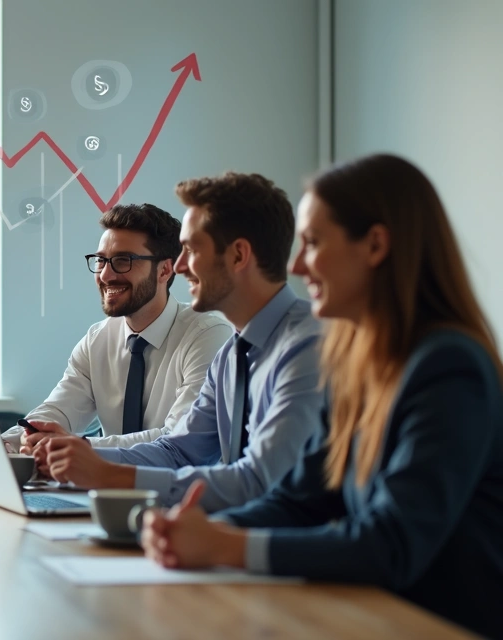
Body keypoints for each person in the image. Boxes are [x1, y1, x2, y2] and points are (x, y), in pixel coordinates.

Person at [141, 154, 503, 638]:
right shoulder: (355, 362)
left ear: (375, 245)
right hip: (361, 614)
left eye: (312, 243)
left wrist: (227, 547)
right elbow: (300, 500)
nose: (295, 264)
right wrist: (201, 531)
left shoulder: (448, 367)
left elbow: (391, 542)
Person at [37, 172, 324, 511]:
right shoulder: (232, 353)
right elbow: (179, 450)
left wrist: (109, 474)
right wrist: (86, 456)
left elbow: (261, 481)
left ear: (238, 255)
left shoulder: (309, 345)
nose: (181, 266)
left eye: (191, 249)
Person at [4, 203, 230, 453]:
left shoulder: (207, 335)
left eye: (123, 261)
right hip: (101, 489)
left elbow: (180, 439)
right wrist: (11, 441)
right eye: (101, 261)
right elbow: (58, 411)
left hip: (180, 489)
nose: (106, 275)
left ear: (164, 270)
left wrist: (80, 447)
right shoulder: (97, 339)